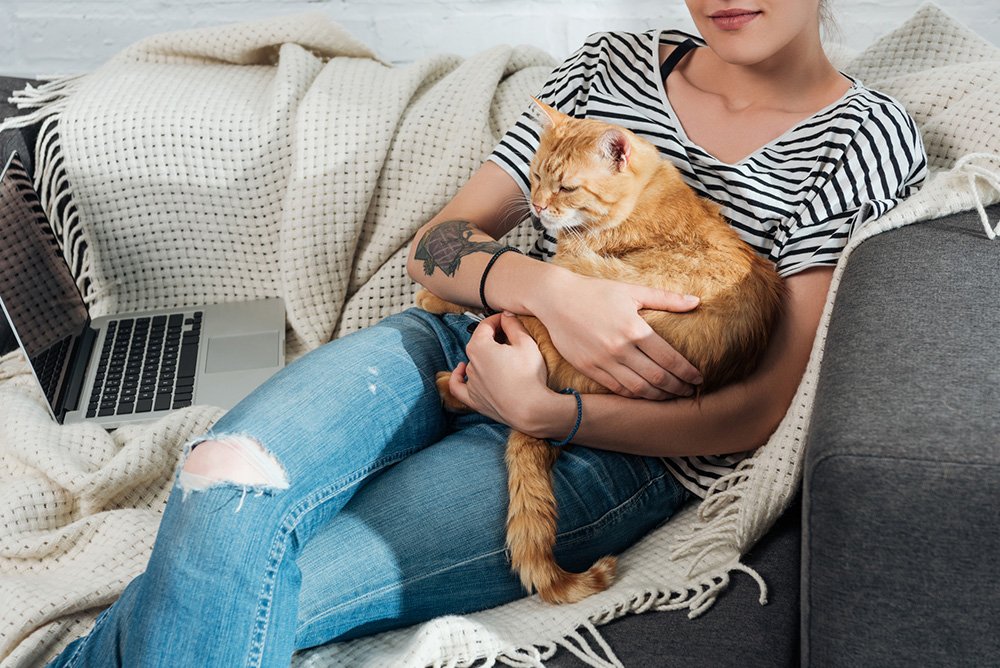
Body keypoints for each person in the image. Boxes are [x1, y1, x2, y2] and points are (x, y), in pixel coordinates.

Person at [48, 0, 926, 665]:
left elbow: (759, 407)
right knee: (224, 475)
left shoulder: (864, 136)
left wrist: (553, 417)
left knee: (267, 582)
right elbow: (436, 252)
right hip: (462, 337)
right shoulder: (611, 67)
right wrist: (550, 289)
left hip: (607, 450)